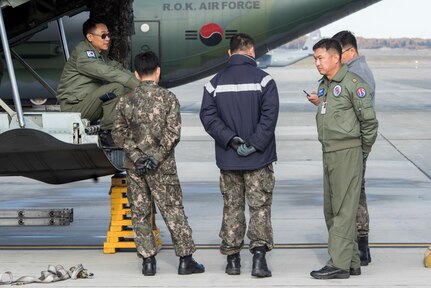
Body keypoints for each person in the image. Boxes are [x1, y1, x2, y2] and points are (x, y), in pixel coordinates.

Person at [112, 51, 205, 276]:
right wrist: (155, 157)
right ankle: (185, 260)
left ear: (136, 73)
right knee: (172, 209)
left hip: (136, 168)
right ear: (158, 71)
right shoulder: (168, 98)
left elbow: (118, 133)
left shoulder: (126, 100)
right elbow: (173, 133)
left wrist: (137, 156)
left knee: (140, 212)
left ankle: (148, 262)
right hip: (162, 166)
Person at [200, 33, 279, 277]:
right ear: (252, 52)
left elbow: (208, 117)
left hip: (229, 159)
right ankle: (259, 261)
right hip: (259, 158)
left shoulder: (213, 84)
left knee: (232, 207)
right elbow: (269, 116)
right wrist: (254, 144)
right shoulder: (265, 81)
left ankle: (232, 260)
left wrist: (231, 140)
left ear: (229, 53)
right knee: (260, 208)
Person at [309, 38, 378, 280]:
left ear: (336, 57)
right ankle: (351, 261)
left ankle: (338, 264)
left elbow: (369, 123)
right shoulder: (324, 85)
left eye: (320, 58)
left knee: (342, 211)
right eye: (315, 58)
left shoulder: (353, 84)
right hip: (329, 152)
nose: (317, 63)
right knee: (331, 209)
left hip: (347, 152)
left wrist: (361, 152)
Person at [56, 17, 139, 147]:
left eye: (108, 35)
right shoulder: (85, 55)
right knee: (116, 87)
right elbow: (107, 72)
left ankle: (125, 127)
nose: (107, 38)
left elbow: (117, 69)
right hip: (74, 109)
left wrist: (145, 85)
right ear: (90, 37)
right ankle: (107, 133)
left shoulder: (98, 54)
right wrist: (138, 86)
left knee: (126, 88)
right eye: (103, 35)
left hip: (86, 104)